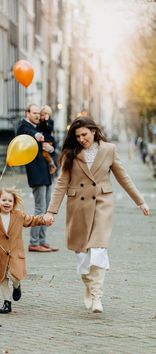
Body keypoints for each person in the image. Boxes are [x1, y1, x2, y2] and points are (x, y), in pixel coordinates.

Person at [44, 117, 150, 313]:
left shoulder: (109, 149)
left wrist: (140, 201)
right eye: (77, 136)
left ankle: (97, 296)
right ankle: (89, 287)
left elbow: (123, 177)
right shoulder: (70, 154)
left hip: (102, 203)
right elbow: (61, 184)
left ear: (93, 131)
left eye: (84, 134)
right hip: (78, 206)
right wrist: (51, 211)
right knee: (82, 257)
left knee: (99, 249)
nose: (81, 139)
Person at [0, 188, 53, 314]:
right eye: (4, 200)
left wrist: (43, 219)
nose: (7, 203)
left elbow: (32, 220)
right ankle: (6, 302)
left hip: (15, 252)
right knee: (2, 278)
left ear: (14, 203)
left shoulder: (19, 216)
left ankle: (17, 286)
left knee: (15, 275)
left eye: (10, 200)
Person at [16, 104, 59, 252]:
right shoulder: (24, 126)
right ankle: (34, 242)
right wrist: (36, 136)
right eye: (33, 113)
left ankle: (42, 240)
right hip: (35, 172)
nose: (36, 115)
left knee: (47, 208)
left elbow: (50, 139)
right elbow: (25, 132)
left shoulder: (39, 126)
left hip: (45, 171)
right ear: (27, 113)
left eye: (37, 113)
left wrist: (51, 148)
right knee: (40, 208)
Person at [37, 105, 57, 175]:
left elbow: (50, 129)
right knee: (43, 154)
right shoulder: (40, 122)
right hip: (43, 140)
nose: (41, 117)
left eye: (43, 115)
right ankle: (50, 166)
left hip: (48, 140)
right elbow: (39, 129)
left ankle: (52, 165)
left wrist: (46, 121)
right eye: (41, 115)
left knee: (45, 153)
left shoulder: (50, 121)